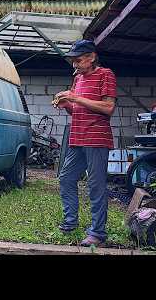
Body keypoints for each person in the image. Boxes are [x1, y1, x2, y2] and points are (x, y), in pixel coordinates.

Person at [53, 39, 117, 247]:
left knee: (96, 185)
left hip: (97, 139)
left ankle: (97, 233)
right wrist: (66, 105)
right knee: (66, 178)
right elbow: (78, 110)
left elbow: (108, 108)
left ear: (91, 57)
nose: (75, 65)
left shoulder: (105, 75)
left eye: (78, 60)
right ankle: (70, 222)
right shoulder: (78, 79)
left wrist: (76, 99)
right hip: (77, 137)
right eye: (73, 61)